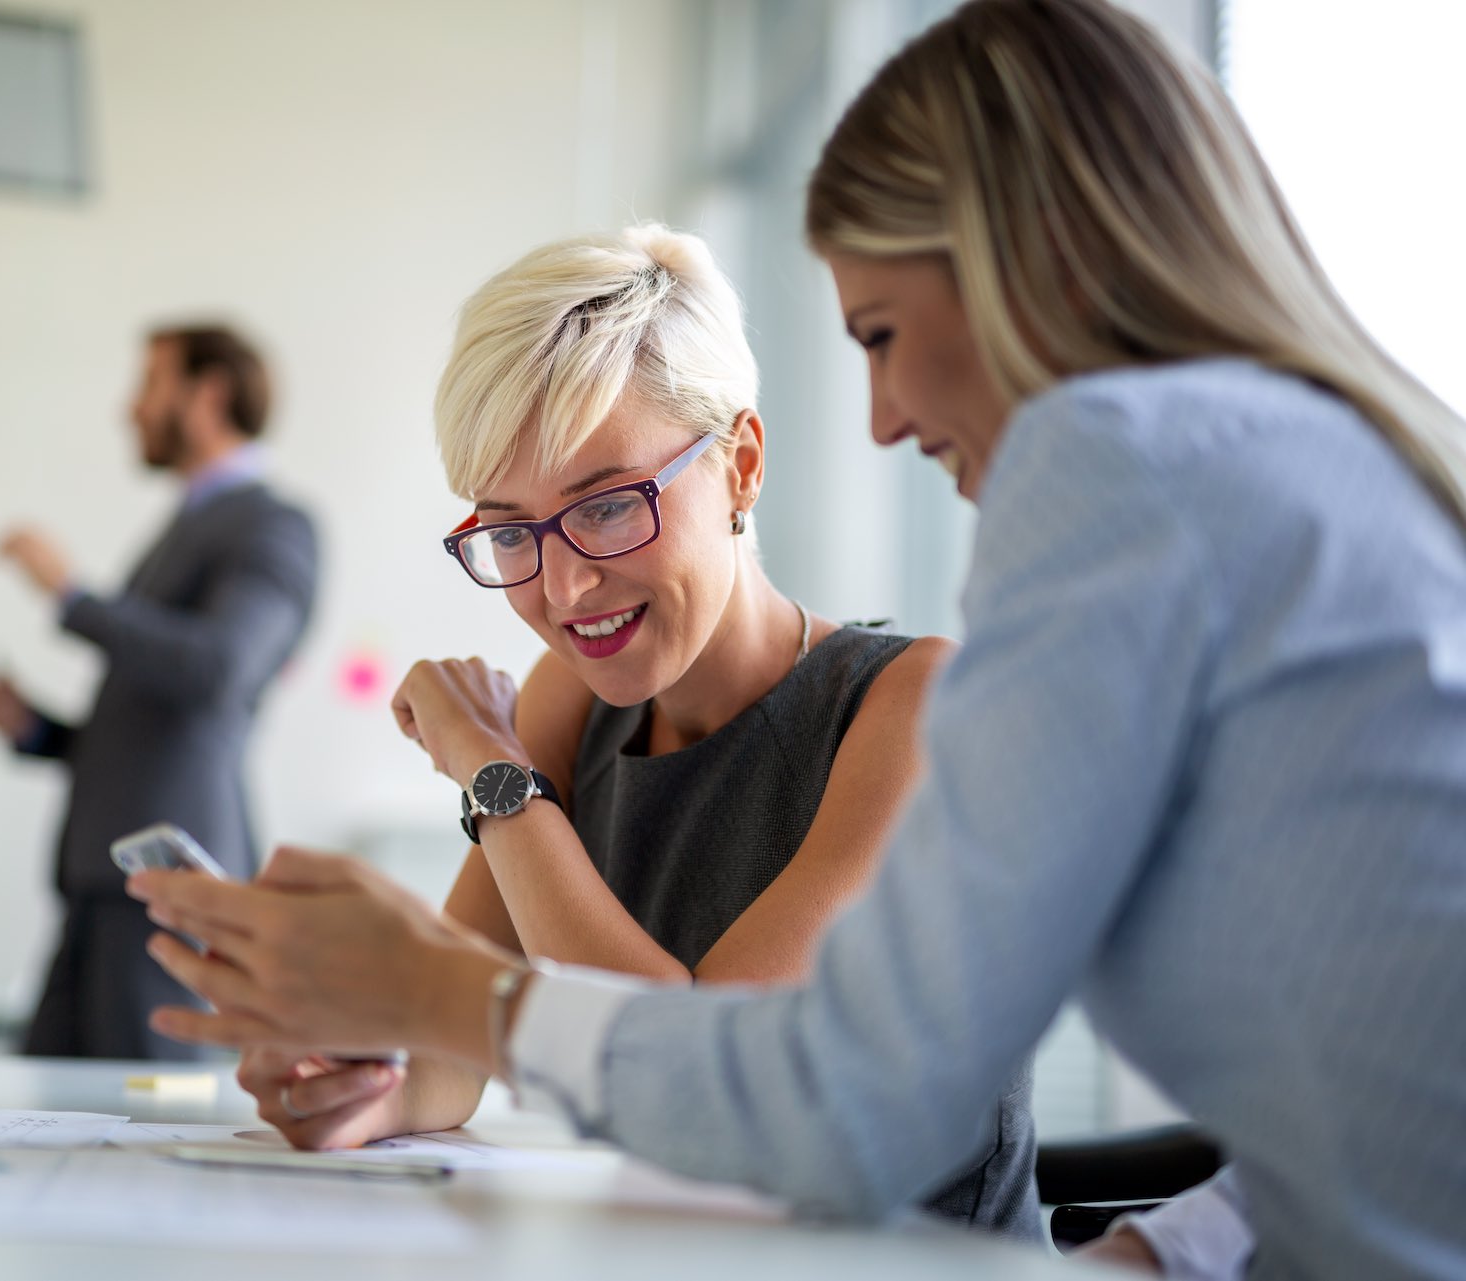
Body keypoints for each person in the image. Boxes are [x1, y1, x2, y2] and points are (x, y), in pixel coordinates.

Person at [123, 2, 1466, 1277]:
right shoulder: (1299, 471)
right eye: (514, 528)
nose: (879, 416)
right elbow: (1381, 1102)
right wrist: (363, 1046)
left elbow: (821, 1097)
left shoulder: (1105, 482)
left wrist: (444, 959)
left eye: (881, 333)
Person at [226, 225, 1038, 1236]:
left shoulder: (917, 710)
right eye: (512, 530)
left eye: (608, 507)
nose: (563, 588)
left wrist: (493, 772)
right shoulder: (574, 704)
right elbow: (446, 1059)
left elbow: (693, 1083)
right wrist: (353, 1087)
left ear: (740, 466)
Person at [0, 323, 318, 1061]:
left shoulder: (273, 526)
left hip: (169, 878)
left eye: (148, 385)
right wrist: (39, 731)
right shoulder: (189, 523)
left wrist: (72, 596)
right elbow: (152, 710)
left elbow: (222, 667)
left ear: (207, 394)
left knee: (150, 1122)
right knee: (56, 1113)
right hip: (103, 879)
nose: (130, 410)